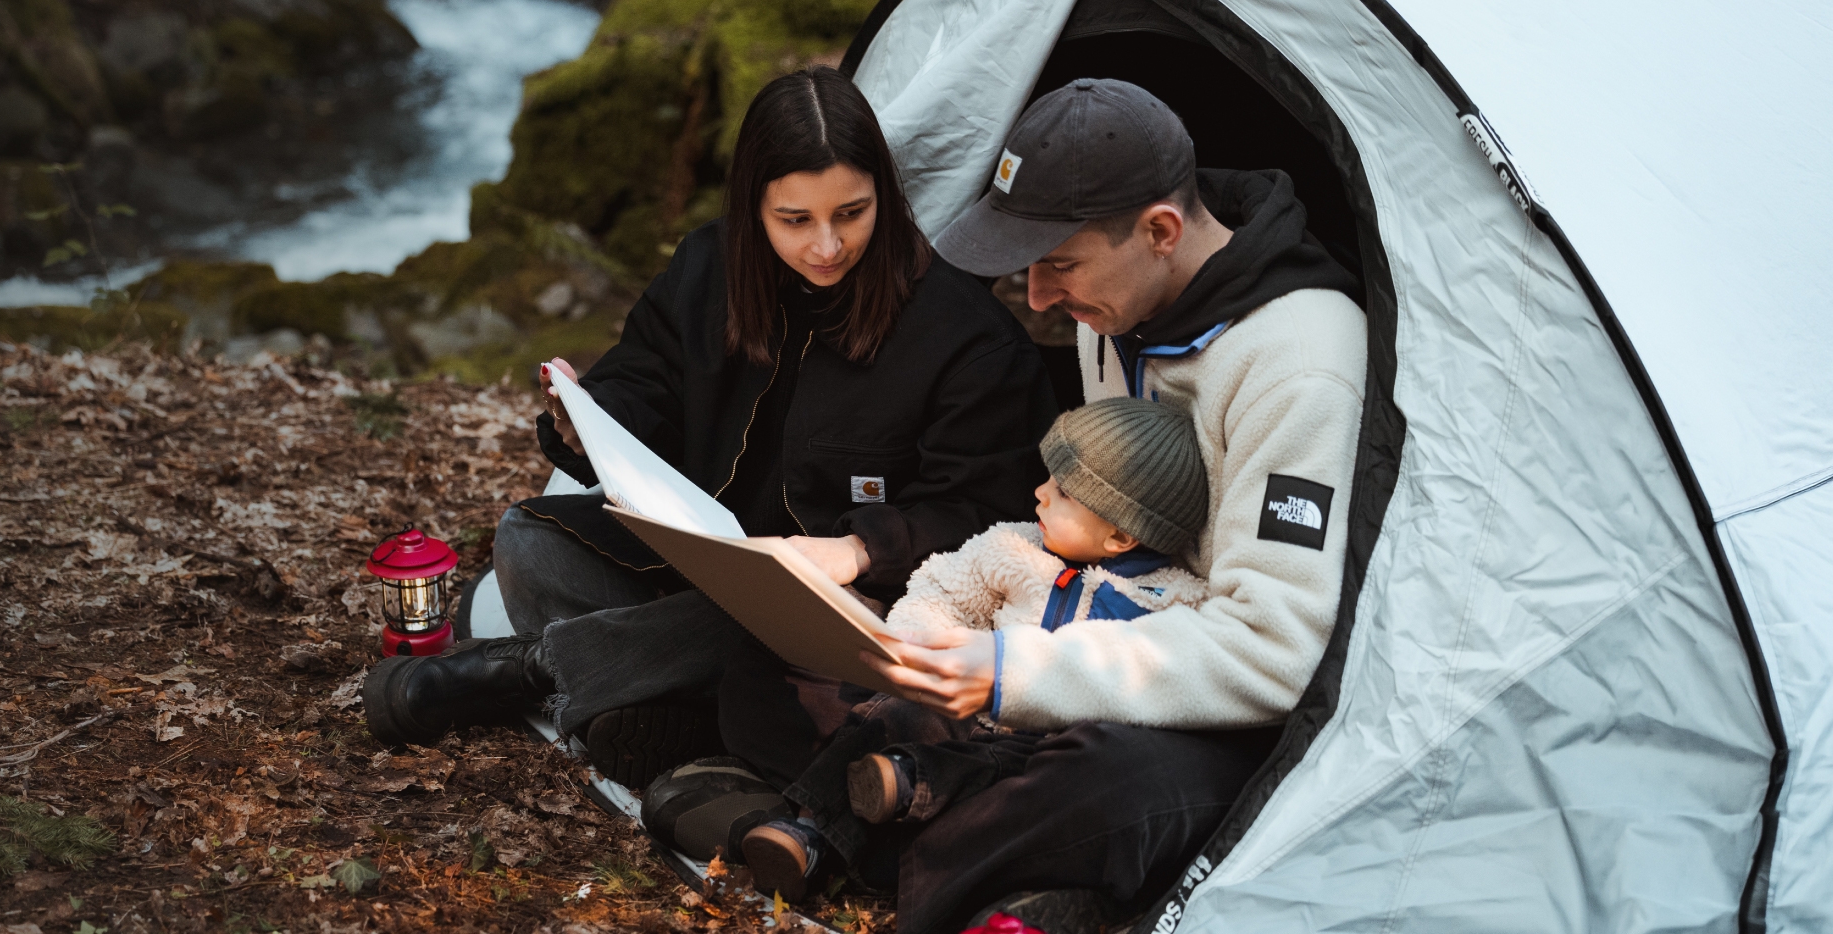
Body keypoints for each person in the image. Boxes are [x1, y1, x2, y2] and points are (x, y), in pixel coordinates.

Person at [662, 77, 1365, 933]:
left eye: (1059, 264)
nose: (1036, 298)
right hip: (1070, 624)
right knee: (784, 662)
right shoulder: (1118, 307)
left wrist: (1013, 674)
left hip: (1204, 711)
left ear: (1160, 231)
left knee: (1108, 783)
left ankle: (845, 840)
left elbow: (1275, 651)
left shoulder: (1300, 366)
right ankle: (988, 872)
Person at [359, 66, 1058, 787]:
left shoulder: (966, 338)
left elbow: (990, 515)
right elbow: (645, 379)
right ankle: (669, 707)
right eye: (795, 220)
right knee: (530, 538)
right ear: (753, 206)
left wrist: (857, 550)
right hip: (701, 564)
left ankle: (532, 672)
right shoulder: (708, 268)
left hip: (857, 599)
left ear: (884, 192)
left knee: (778, 611)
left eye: (852, 213)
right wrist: (588, 418)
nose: (827, 246)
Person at [643, 397, 1213, 897]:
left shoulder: (1170, 603)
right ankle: (843, 815)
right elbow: (944, 588)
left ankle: (818, 828)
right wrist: (922, 643)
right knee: (899, 713)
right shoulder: (1015, 548)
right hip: (964, 705)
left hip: (1042, 743)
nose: (1039, 493)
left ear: (1120, 535)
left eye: (1062, 492)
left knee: (1013, 774)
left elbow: (1162, 680)